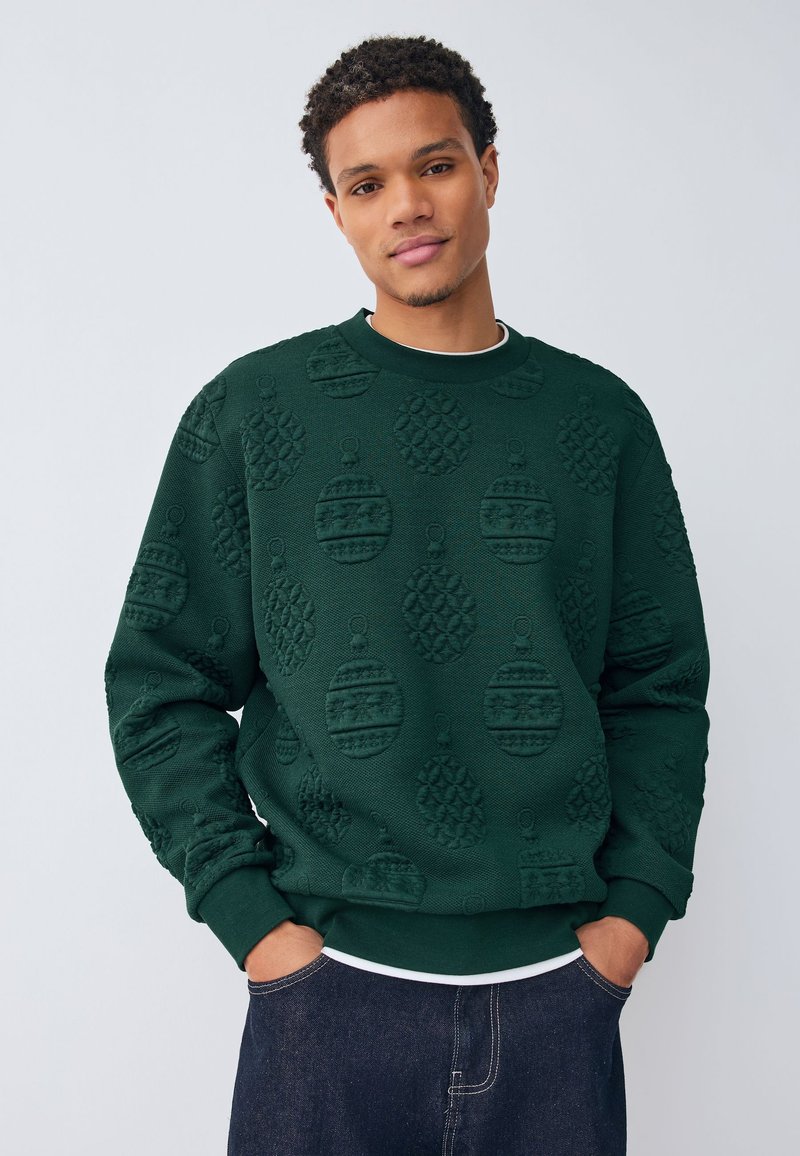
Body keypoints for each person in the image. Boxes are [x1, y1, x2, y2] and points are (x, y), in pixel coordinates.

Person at [104, 33, 711, 1156]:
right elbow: (159, 685)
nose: (407, 207)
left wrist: (631, 915)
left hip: (558, 997)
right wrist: (254, 925)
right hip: (323, 997)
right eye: (366, 184)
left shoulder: (599, 421)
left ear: (489, 169)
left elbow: (658, 688)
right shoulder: (254, 414)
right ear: (334, 211)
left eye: (434, 165)